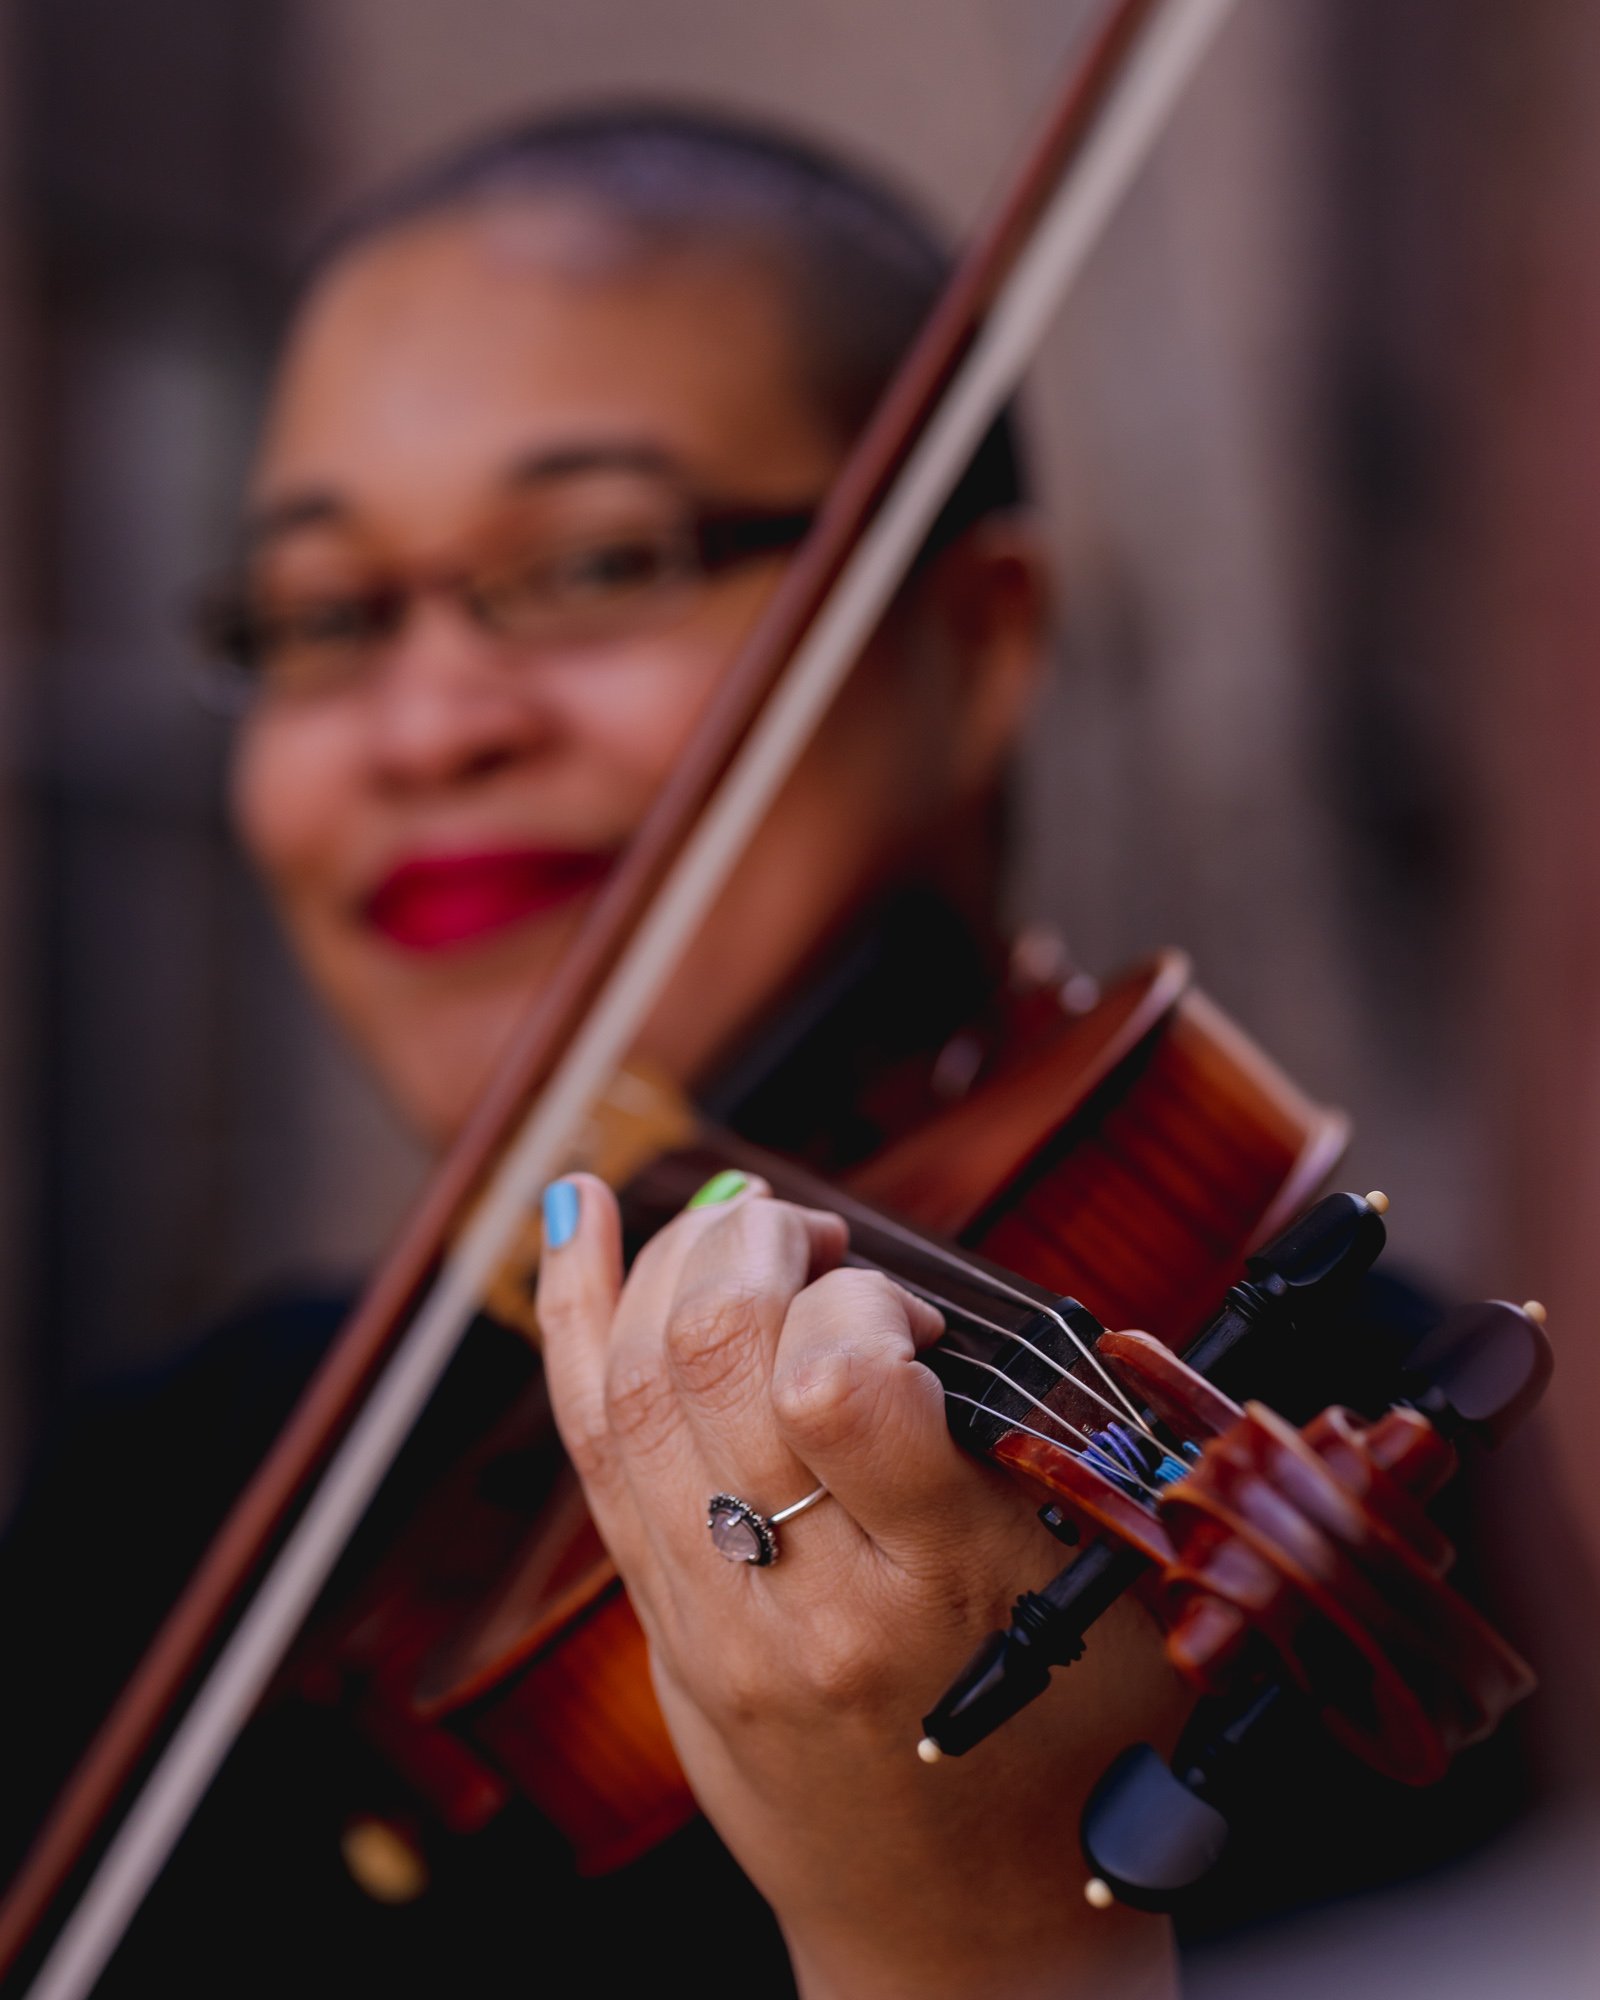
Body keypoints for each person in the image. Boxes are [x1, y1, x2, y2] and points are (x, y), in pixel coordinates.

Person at [0, 105, 1537, 2000]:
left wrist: (962, 1928)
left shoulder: (1358, 1460)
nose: (422, 724)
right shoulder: (188, 1489)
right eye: (322, 616)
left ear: (974, 648)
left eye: (590, 564)